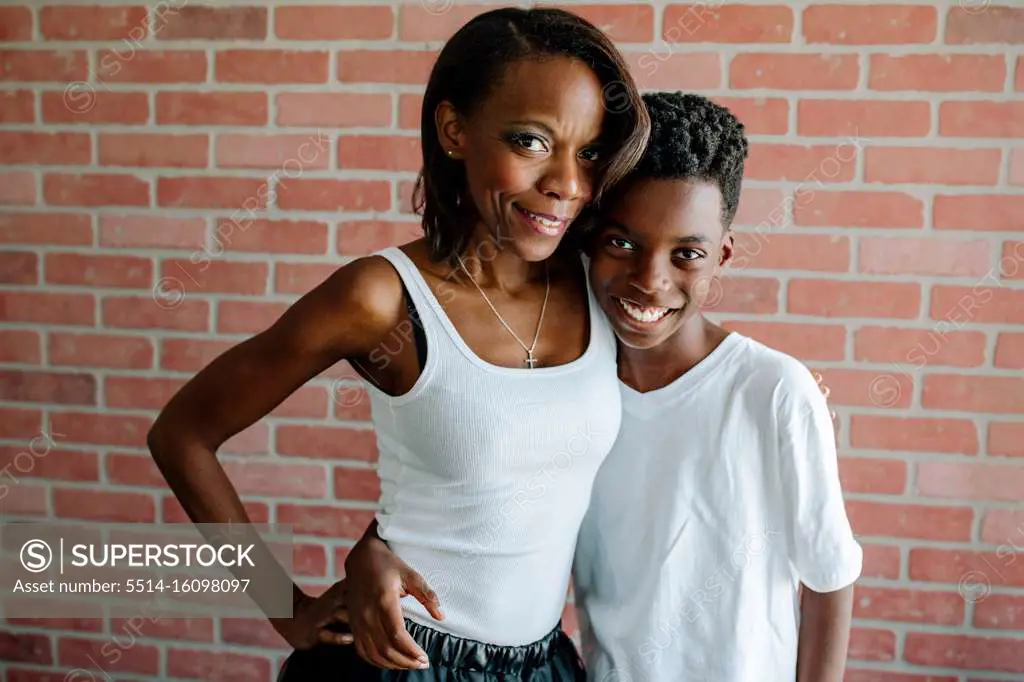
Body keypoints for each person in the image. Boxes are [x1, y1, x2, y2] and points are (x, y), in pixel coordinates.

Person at [145, 6, 650, 682]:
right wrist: (286, 609)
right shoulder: (383, 299)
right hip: (402, 659)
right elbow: (182, 433)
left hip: (542, 663)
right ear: (453, 131)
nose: (567, 183)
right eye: (531, 141)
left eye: (588, 151)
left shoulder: (599, 283)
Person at [343, 92, 860, 682]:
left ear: (723, 254)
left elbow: (830, 578)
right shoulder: (575, 385)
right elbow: (483, 478)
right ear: (587, 236)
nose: (650, 281)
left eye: (687, 254)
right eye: (622, 243)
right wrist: (374, 547)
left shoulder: (774, 391)